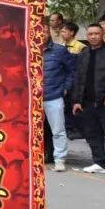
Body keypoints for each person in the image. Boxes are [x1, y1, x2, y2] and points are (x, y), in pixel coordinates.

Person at [72, 23, 105, 176]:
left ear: (103, 35)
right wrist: (77, 100)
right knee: (92, 134)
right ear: (87, 36)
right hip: (87, 102)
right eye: (90, 34)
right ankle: (99, 162)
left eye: (97, 33)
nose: (93, 37)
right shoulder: (84, 54)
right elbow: (78, 78)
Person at [43, 32, 77, 172]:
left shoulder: (59, 50)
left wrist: (65, 88)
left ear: (48, 33)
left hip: (53, 95)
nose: (41, 34)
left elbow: (72, 71)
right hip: (31, 98)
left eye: (44, 31)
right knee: (31, 131)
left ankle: (59, 159)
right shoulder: (27, 48)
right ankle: (33, 157)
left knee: (58, 130)